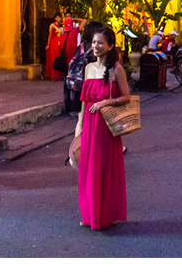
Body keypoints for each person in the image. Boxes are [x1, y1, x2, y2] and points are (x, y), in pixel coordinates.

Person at [75, 26, 130, 230]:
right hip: (89, 125)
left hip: (106, 126)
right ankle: (89, 213)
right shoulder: (89, 68)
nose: (96, 46)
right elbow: (84, 98)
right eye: (94, 42)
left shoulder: (116, 69)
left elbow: (126, 97)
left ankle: (106, 213)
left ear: (110, 46)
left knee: (104, 168)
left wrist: (106, 103)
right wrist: (79, 123)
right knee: (88, 168)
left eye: (100, 43)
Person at [65, 21, 103, 114]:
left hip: (79, 78)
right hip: (92, 80)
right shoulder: (97, 47)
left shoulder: (80, 46)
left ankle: (76, 109)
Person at [45, 13, 63, 79]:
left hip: (59, 44)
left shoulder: (62, 26)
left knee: (58, 58)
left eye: (59, 17)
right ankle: (52, 75)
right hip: (54, 43)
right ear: (55, 18)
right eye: (57, 17)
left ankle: (58, 75)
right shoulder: (52, 25)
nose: (58, 19)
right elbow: (50, 35)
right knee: (53, 58)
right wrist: (48, 44)